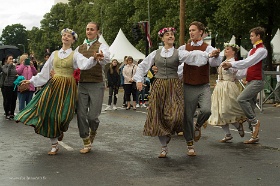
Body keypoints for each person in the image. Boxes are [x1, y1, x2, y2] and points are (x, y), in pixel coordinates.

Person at [14, 28, 104, 155]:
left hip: (67, 87)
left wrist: (93, 58)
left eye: (69, 36)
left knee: (64, 115)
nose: (66, 37)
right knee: (49, 113)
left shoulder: (75, 54)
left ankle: (59, 130)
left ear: (73, 40)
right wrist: (31, 81)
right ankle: (54, 144)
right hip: (54, 85)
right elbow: (44, 72)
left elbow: (84, 65)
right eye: (64, 35)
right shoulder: (54, 54)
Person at [133, 27, 211, 158]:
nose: (170, 36)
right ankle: (164, 147)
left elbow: (192, 56)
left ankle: (170, 131)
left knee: (177, 115)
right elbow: (142, 66)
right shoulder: (155, 53)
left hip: (174, 86)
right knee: (158, 116)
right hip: (159, 86)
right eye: (167, 35)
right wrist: (139, 80)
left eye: (172, 35)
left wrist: (208, 55)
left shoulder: (178, 53)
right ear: (162, 38)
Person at [178, 21, 222, 156]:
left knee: (207, 110)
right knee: (187, 116)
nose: (191, 32)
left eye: (193, 30)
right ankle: (190, 144)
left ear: (201, 32)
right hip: (188, 85)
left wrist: (215, 55)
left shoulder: (208, 48)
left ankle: (198, 125)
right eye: (190, 30)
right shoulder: (183, 48)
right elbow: (177, 64)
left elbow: (215, 63)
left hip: (203, 85)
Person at [221, 26, 268, 144]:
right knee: (250, 107)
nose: (250, 38)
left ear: (258, 36)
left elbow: (248, 62)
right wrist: (236, 76)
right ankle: (254, 135)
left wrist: (232, 65)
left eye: (252, 36)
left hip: (258, 81)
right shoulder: (252, 50)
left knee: (241, 99)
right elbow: (247, 68)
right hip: (252, 80)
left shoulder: (262, 50)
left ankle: (254, 122)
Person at [76, 22, 110, 154]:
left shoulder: (102, 46)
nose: (89, 31)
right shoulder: (79, 48)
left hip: (97, 83)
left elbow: (107, 59)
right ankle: (85, 140)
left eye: (92, 29)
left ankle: (93, 130)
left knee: (92, 116)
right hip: (83, 83)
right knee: (81, 114)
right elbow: (73, 62)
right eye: (87, 29)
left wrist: (101, 58)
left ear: (97, 32)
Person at [207, 43, 247, 142]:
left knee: (227, 109)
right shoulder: (223, 61)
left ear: (233, 52)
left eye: (228, 49)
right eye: (225, 49)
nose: (226, 50)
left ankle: (238, 126)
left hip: (228, 87)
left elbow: (238, 73)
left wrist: (229, 68)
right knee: (218, 111)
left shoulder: (234, 62)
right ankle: (227, 134)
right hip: (220, 87)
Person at [2, 54, 18, 120]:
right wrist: (10, 65)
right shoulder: (4, 66)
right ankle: (7, 113)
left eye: (12, 58)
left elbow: (16, 72)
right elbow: (7, 73)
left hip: (14, 85)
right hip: (7, 85)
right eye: (10, 59)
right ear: (7, 60)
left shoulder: (14, 67)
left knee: (14, 99)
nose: (11, 60)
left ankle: (12, 113)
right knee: (8, 100)